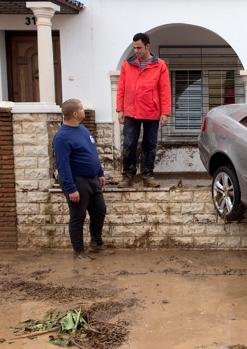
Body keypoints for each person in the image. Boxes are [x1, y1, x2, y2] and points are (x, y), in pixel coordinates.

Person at [116, 32, 171, 188]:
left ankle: (147, 175)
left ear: (147, 46)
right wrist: (120, 109)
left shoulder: (160, 65)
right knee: (128, 144)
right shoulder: (127, 65)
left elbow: (165, 90)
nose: (136, 51)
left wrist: (165, 112)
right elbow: (121, 88)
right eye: (134, 48)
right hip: (131, 111)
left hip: (152, 111)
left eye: (139, 47)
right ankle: (127, 176)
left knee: (150, 144)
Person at [53, 99, 107, 260]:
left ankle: (96, 244)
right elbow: (63, 166)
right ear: (75, 113)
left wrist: (100, 172)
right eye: (82, 108)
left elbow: (92, 153)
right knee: (78, 216)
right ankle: (79, 252)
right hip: (77, 181)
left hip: (92, 179)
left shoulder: (83, 129)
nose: (84, 111)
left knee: (99, 210)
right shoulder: (61, 137)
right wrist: (71, 189)